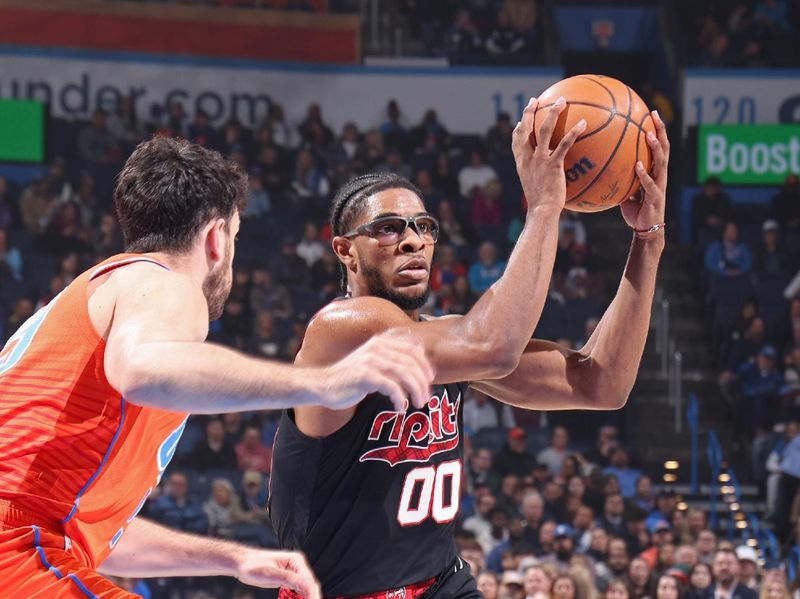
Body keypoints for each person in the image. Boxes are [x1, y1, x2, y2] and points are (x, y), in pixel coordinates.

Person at [0, 137, 436, 598]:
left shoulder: (105, 293)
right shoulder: (163, 282)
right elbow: (143, 369)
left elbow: (98, 534)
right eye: (236, 237)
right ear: (216, 237)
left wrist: (234, 558)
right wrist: (324, 383)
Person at [270, 99, 669, 596]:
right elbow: (494, 344)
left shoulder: (452, 348)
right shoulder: (340, 330)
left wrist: (647, 240)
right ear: (345, 250)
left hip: (442, 583)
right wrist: (545, 205)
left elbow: (601, 383)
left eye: (423, 226)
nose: (413, 240)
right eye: (388, 228)